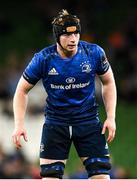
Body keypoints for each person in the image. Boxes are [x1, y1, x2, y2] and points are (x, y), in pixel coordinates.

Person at [12, 9, 117, 179]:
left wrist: (111, 117)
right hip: (56, 124)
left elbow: (109, 82)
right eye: (67, 35)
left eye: (76, 33)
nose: (73, 39)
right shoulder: (43, 59)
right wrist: (19, 124)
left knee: (101, 176)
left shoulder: (94, 53)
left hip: (88, 122)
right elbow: (21, 91)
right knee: (50, 176)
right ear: (57, 38)